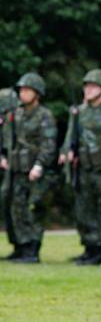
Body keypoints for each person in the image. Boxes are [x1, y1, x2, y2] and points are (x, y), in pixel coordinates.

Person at [59, 69, 101, 265]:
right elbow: (70, 138)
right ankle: (90, 249)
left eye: (93, 86)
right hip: (83, 169)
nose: (88, 90)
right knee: (84, 210)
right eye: (86, 86)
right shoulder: (79, 112)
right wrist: (66, 153)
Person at [0, 73, 57, 263]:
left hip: (34, 171)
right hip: (16, 170)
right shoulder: (15, 115)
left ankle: (32, 249)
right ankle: (21, 246)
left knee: (32, 209)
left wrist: (39, 165)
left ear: (37, 93)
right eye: (21, 90)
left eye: (27, 90)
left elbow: (48, 145)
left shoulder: (44, 115)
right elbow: (7, 139)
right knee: (16, 208)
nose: (22, 94)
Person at [0, 87, 20, 260]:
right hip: (7, 168)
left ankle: (19, 245)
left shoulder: (15, 120)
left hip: (14, 169)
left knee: (11, 204)